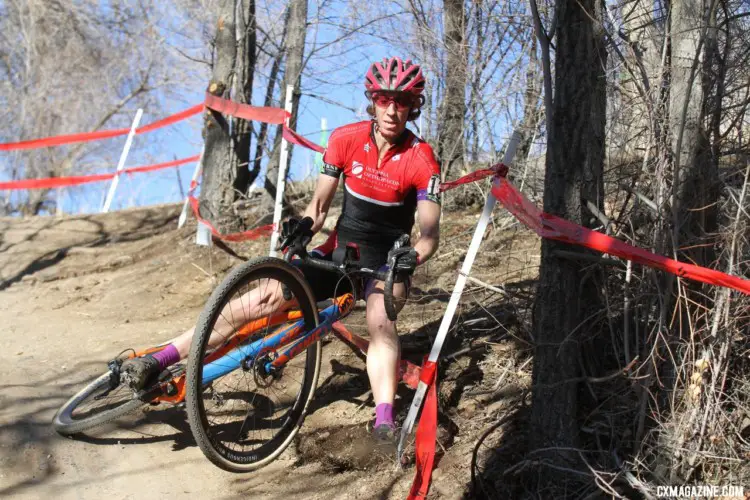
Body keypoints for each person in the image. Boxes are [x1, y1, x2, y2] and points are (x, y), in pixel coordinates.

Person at [121, 56, 441, 445]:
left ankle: (384, 423)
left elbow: (428, 234)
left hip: (388, 263)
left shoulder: (421, 158)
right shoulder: (345, 139)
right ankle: (160, 359)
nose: (392, 110)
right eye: (384, 99)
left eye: (402, 101)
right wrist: (304, 227)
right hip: (340, 252)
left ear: (414, 105)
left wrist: (414, 257)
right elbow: (319, 207)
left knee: (379, 321)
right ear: (372, 100)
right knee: (264, 297)